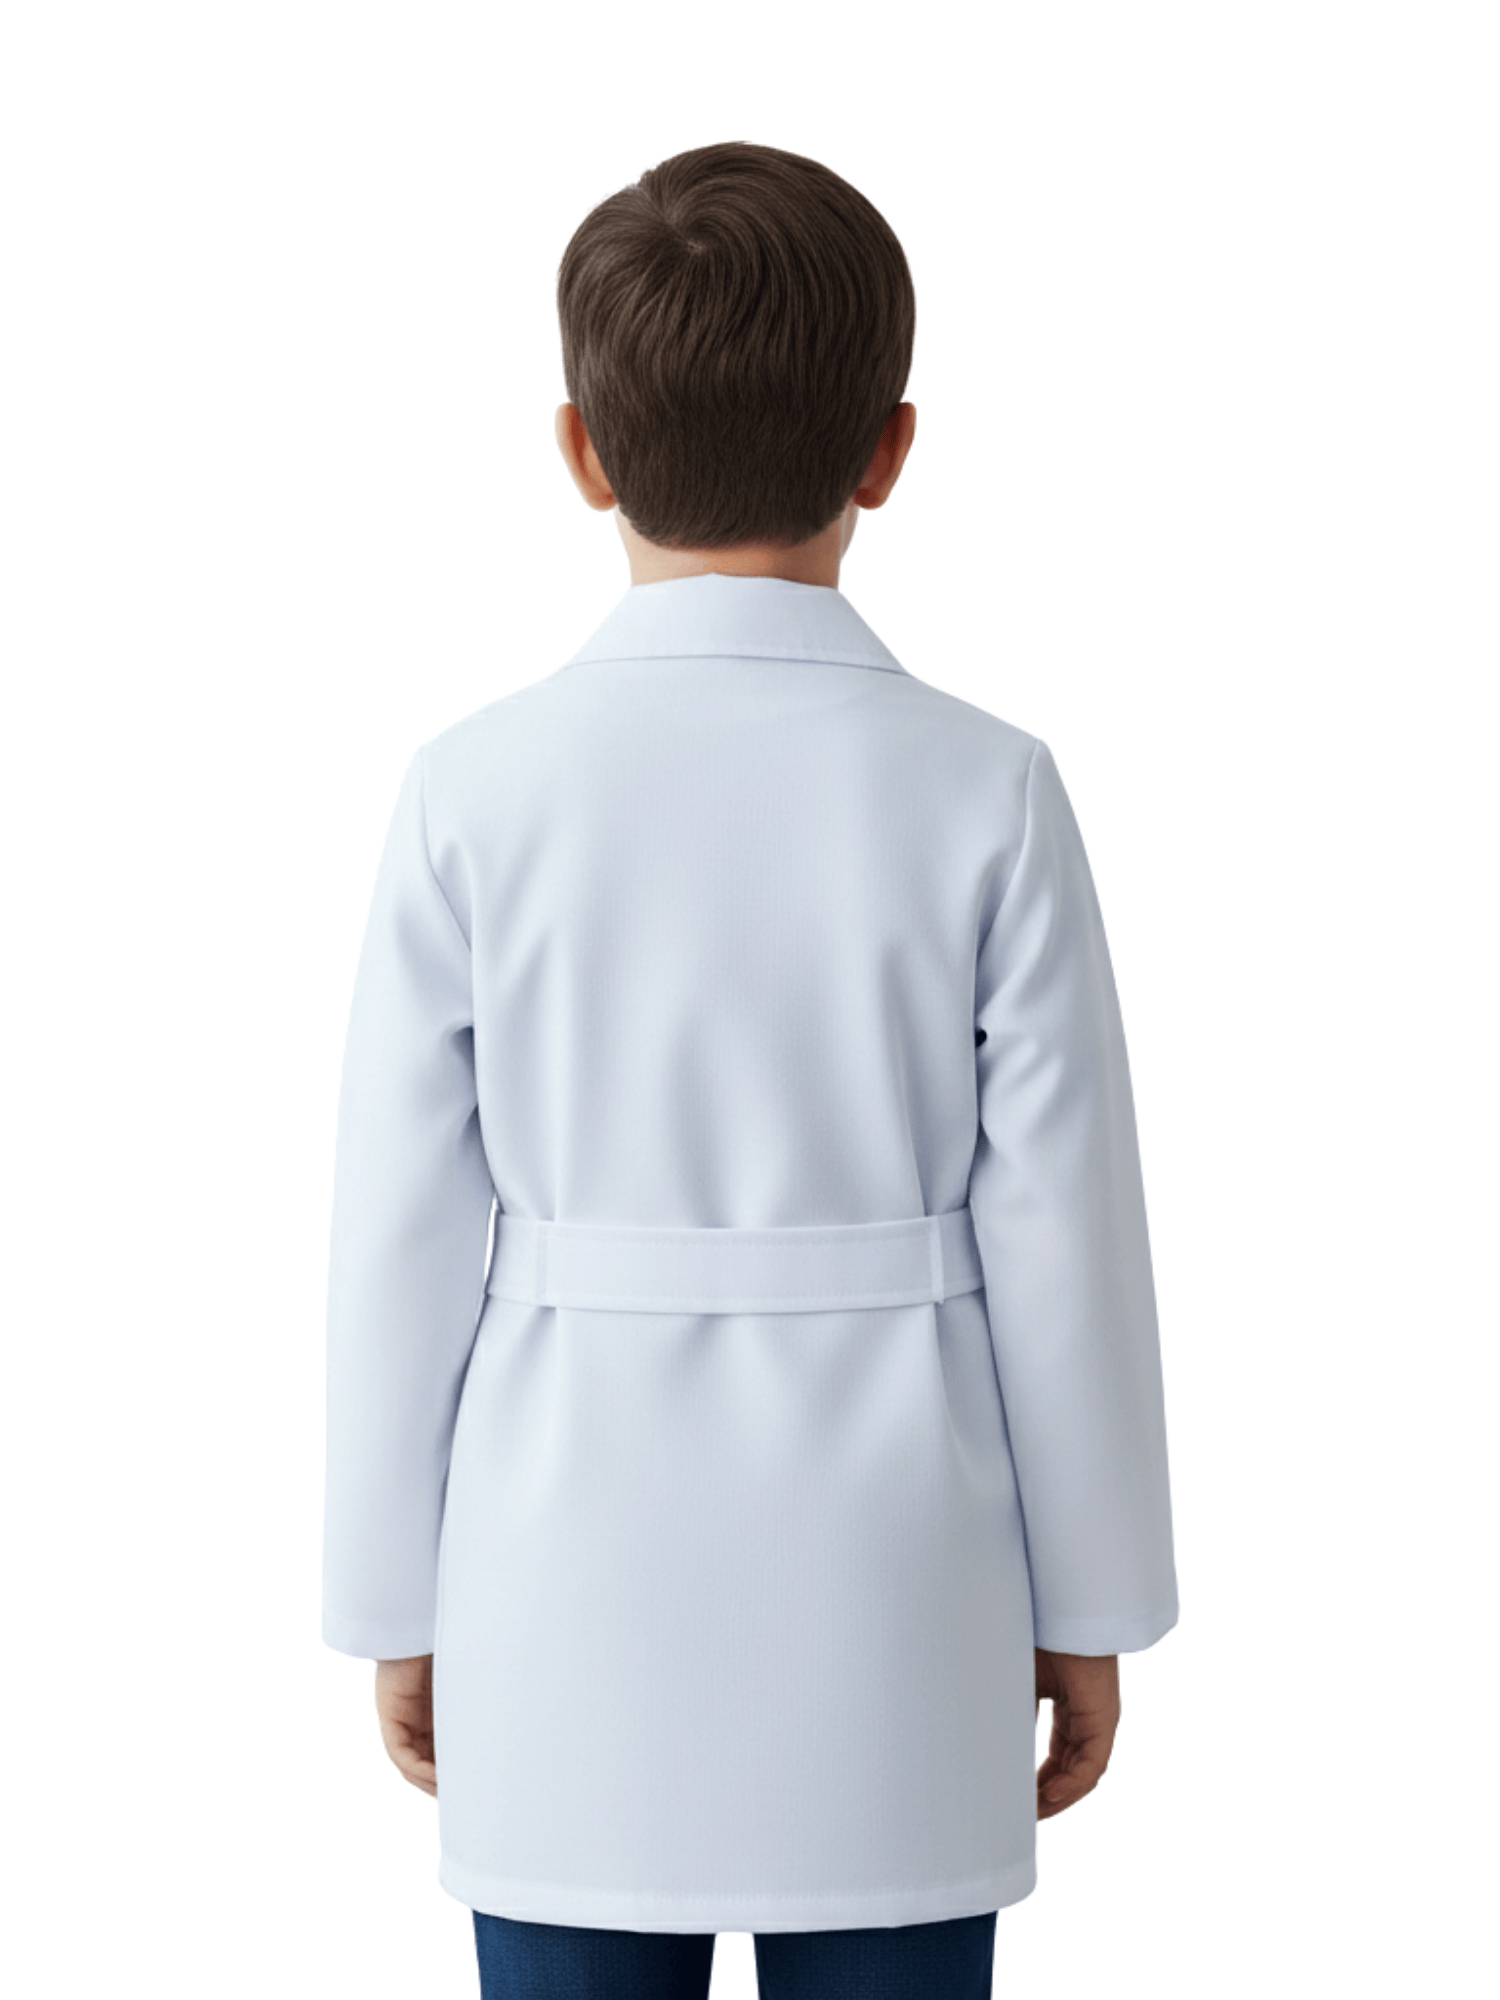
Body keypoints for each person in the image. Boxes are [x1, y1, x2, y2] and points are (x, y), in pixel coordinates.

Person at [322, 139, 1179, 2000]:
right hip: (903, 1572)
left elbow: (398, 1233)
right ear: (889, 451)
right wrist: (1093, 1598)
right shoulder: (990, 790)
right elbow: (1068, 1234)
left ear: (582, 452)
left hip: (559, 1563)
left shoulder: (472, 792)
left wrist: (395, 1592)